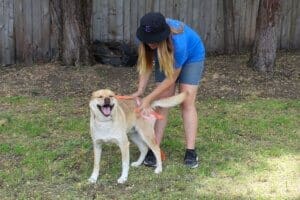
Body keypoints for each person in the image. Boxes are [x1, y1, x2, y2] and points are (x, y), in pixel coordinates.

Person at [131, 12, 205, 168]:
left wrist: (148, 98)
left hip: (192, 56)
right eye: (148, 40)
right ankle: (154, 148)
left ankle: (190, 151)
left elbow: (171, 78)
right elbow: (147, 62)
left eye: (154, 40)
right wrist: (140, 90)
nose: (150, 44)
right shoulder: (146, 40)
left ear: (163, 35)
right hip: (164, 54)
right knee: (163, 103)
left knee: (187, 102)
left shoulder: (179, 42)